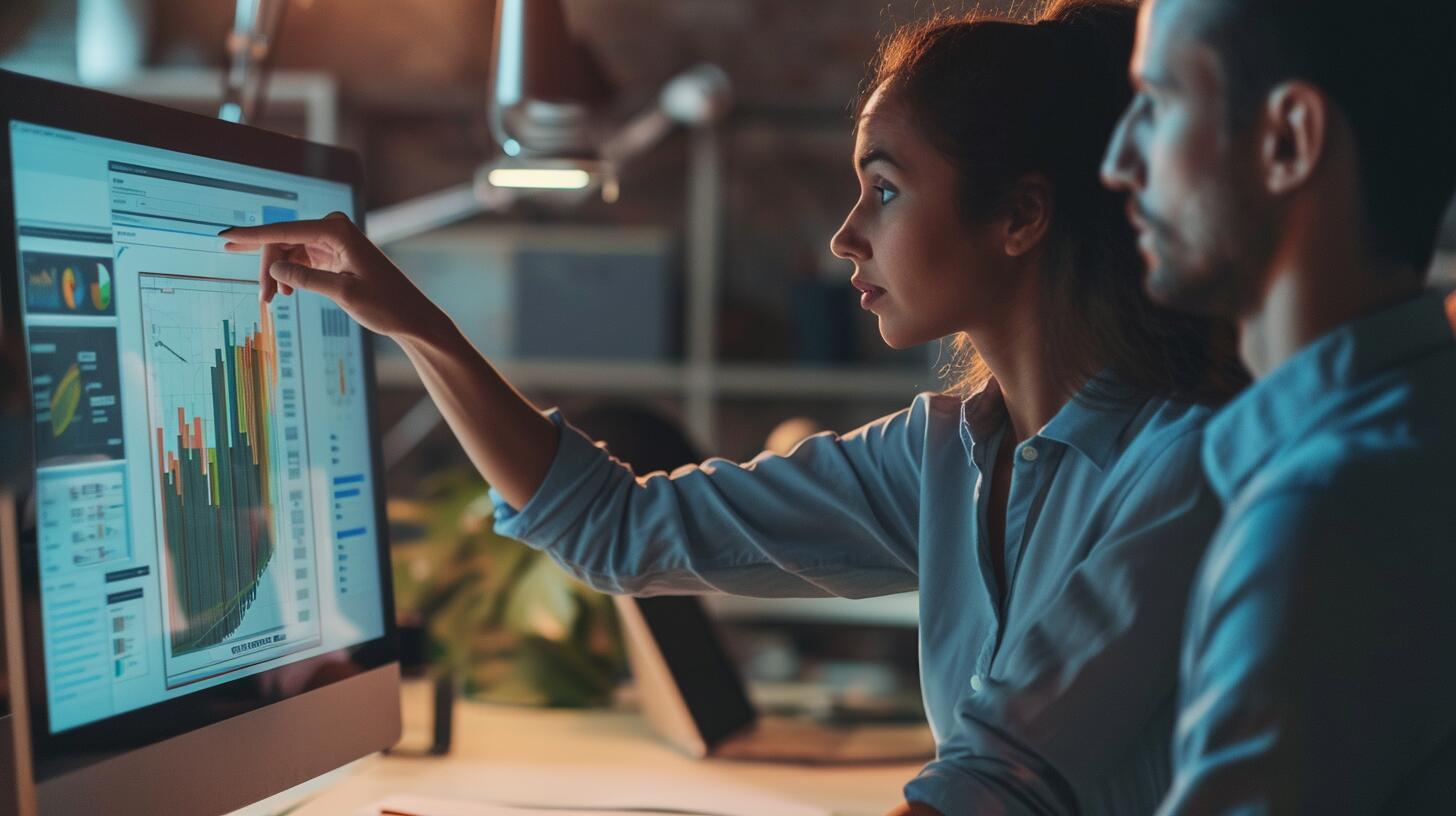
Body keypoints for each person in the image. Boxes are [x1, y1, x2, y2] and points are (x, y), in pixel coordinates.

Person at [223, 2, 1246, 813]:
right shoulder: (943, 457)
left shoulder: (1179, 468)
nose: (846, 235)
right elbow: (616, 530)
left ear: (1019, 216)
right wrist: (415, 324)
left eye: (883, 190)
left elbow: (989, 793)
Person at [1100, 1, 1456, 812]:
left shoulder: (1323, 513)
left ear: (1288, 140)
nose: (1119, 161)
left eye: (1156, 103)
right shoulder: (1422, 434)